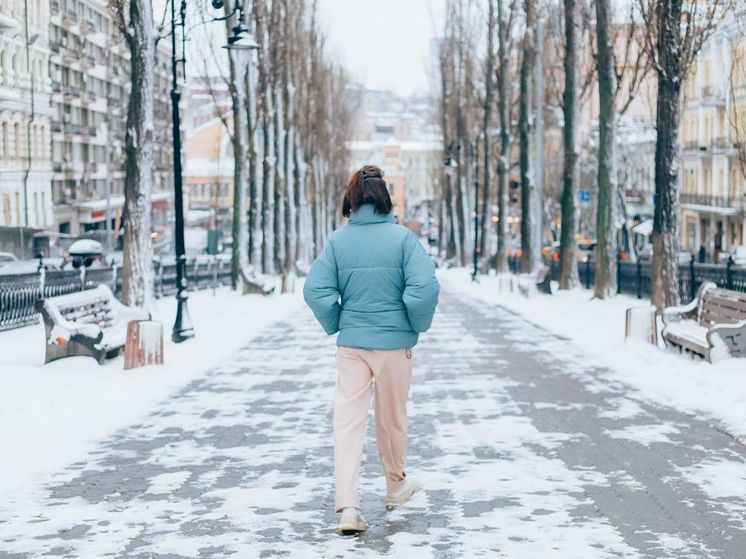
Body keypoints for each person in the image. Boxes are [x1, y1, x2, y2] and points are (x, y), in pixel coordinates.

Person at [303, 165, 440, 534]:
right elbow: (424, 290)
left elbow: (314, 291)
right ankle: (395, 485)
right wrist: (415, 324)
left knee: (347, 422)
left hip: (353, 347)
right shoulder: (404, 240)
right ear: (385, 200)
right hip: (395, 346)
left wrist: (338, 322)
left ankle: (349, 505)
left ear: (352, 200)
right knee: (391, 418)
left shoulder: (337, 242)